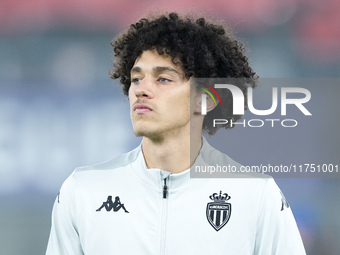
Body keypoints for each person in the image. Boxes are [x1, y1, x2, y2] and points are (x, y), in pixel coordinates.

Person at [46, 12, 306, 254]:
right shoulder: (82, 190)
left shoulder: (256, 194)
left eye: (163, 79)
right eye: (136, 79)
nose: (140, 90)